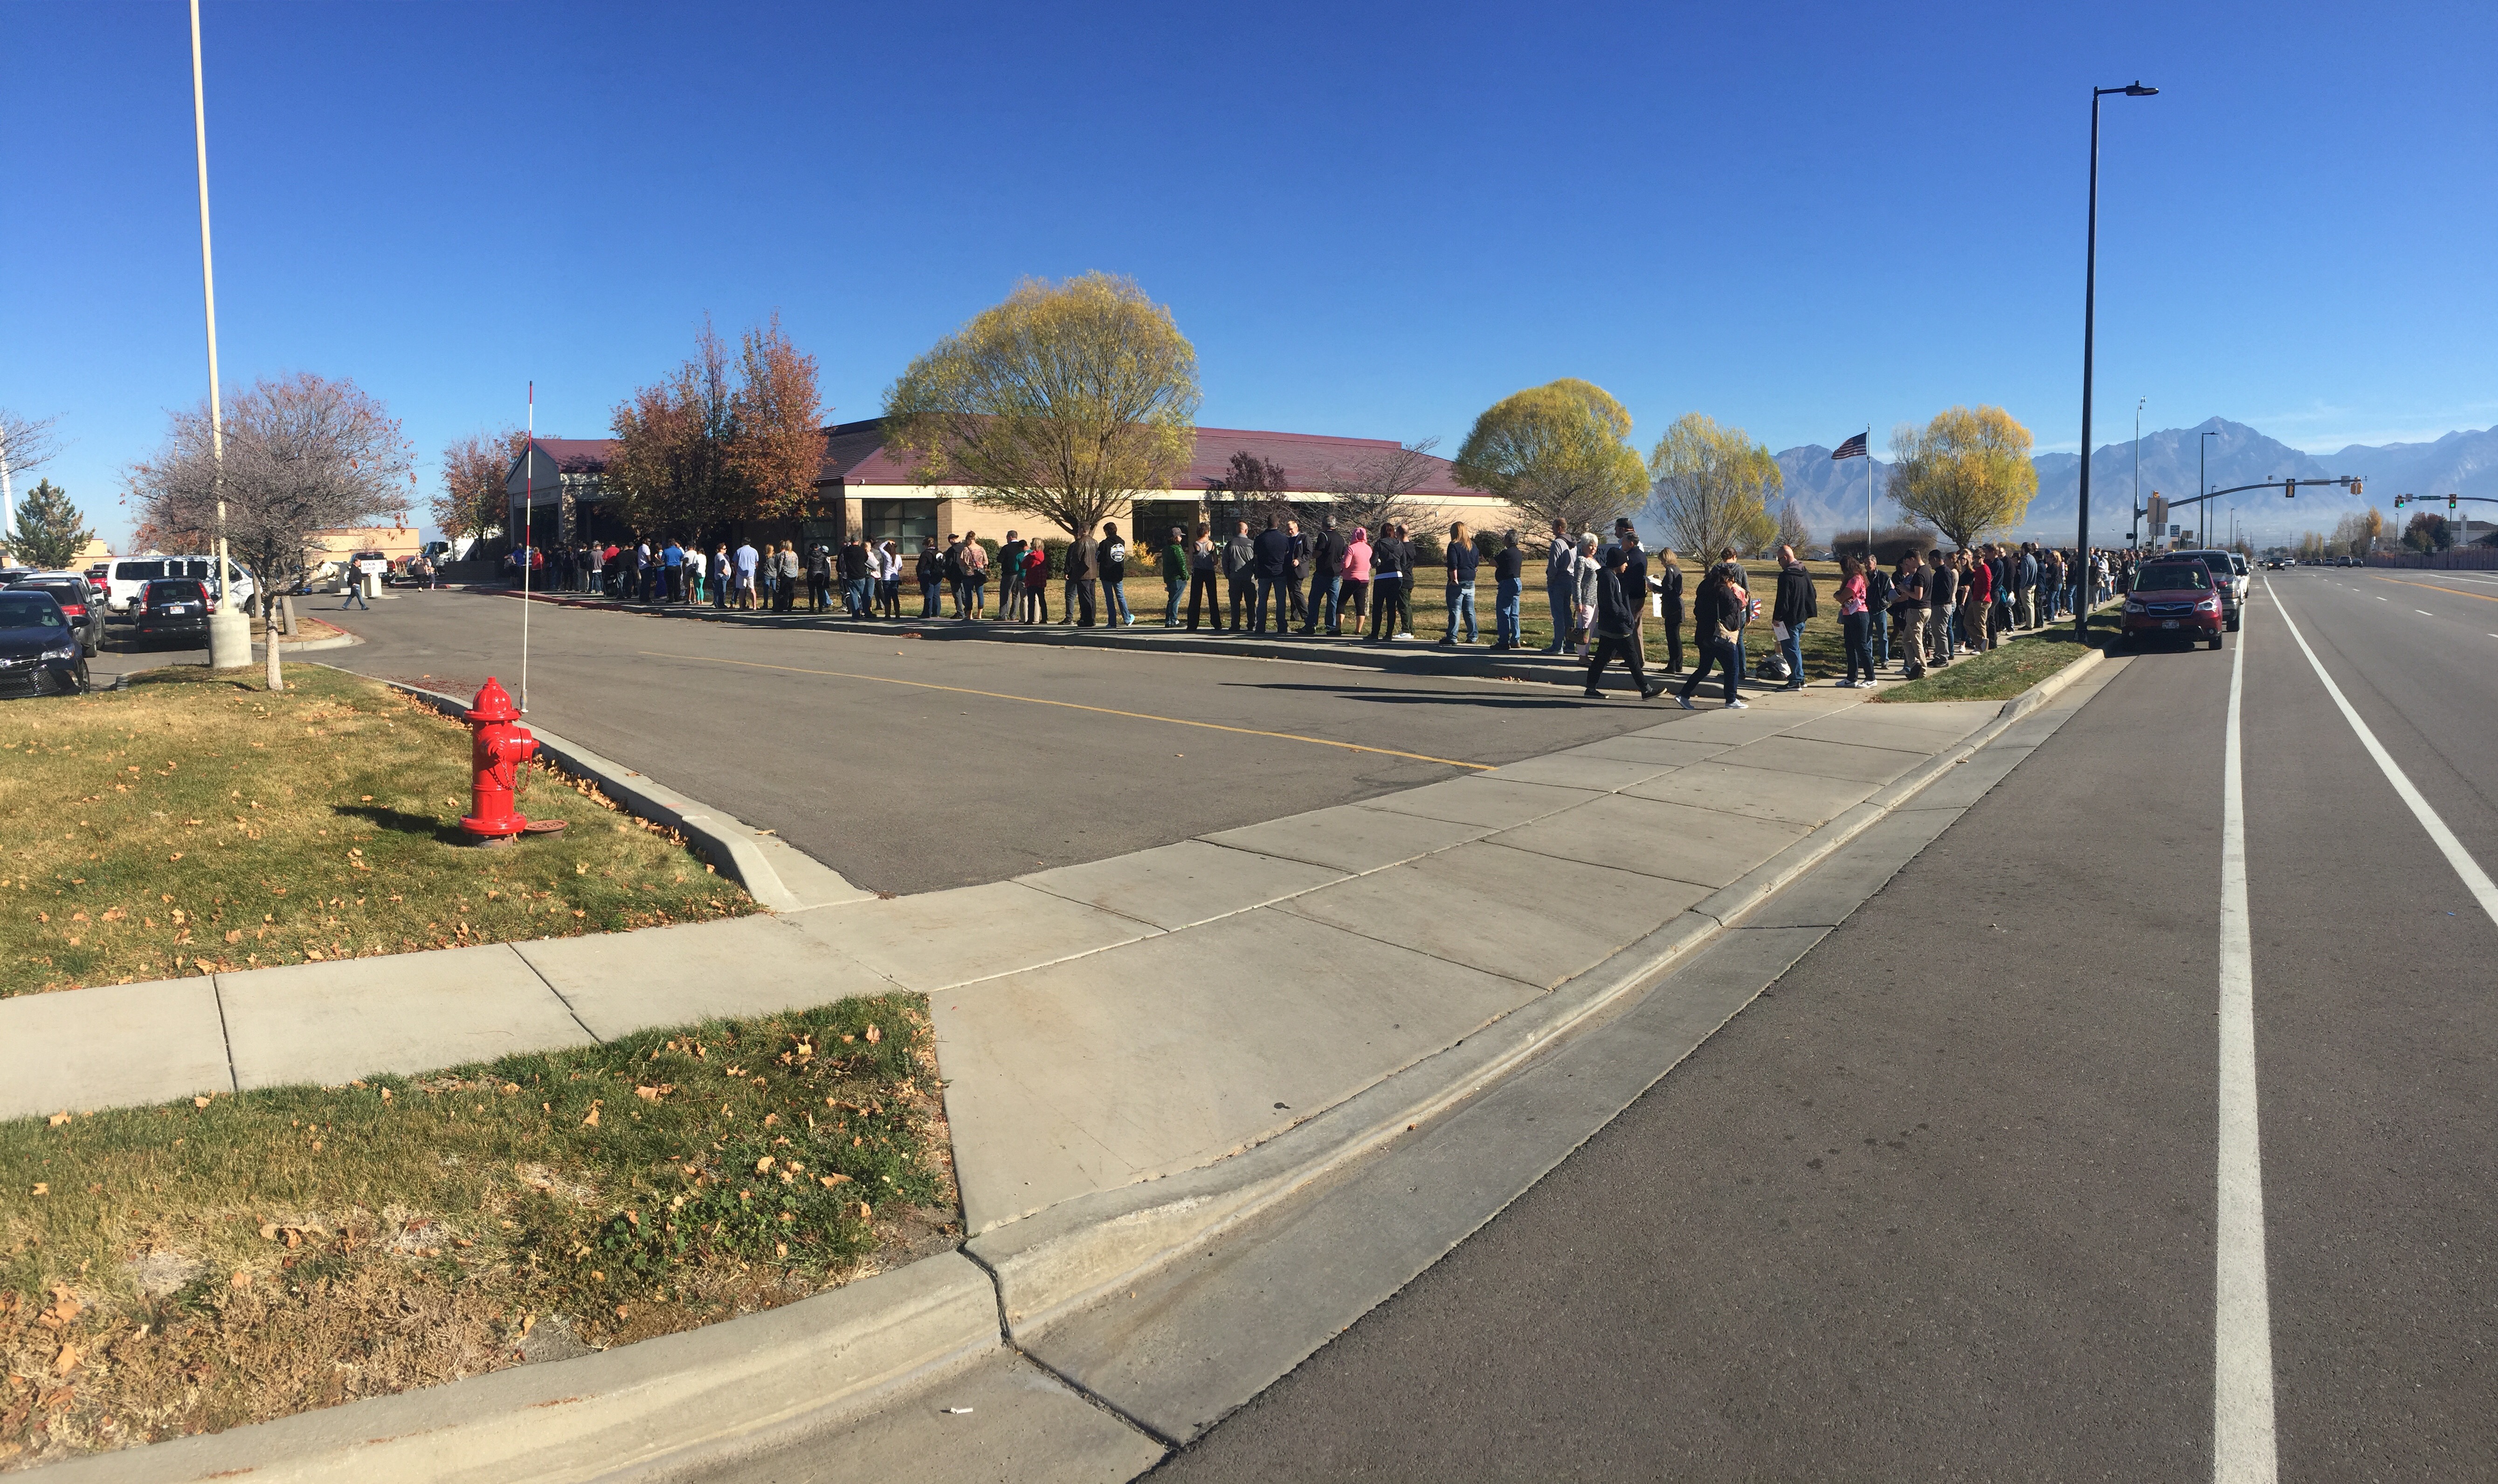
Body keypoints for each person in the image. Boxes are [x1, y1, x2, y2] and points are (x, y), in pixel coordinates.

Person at [1584, 542, 1663, 700]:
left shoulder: (1612, 576)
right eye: (1625, 562)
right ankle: (1646, 690)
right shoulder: (1608, 578)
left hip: (1611, 626)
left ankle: (1591, 688)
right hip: (1617, 627)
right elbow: (1611, 604)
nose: (1626, 565)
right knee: (1632, 659)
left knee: (1601, 659)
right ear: (1618, 562)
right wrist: (1627, 617)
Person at [1676, 564, 1746, 709]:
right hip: (1719, 635)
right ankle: (1731, 699)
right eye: (1732, 582)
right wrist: (1739, 599)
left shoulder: (1704, 587)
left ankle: (1684, 694)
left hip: (1703, 634)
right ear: (1728, 580)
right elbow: (1733, 608)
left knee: (1704, 668)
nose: (1732, 585)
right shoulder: (1724, 591)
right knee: (1732, 667)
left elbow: (1698, 610)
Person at [1770, 543, 1816, 691]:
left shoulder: (1786, 576)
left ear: (1785, 558)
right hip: (1802, 616)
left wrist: (1776, 618)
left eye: (1779, 560)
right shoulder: (1804, 571)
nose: (1778, 563)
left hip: (1789, 620)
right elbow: (1813, 593)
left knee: (1790, 649)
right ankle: (1800, 678)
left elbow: (1783, 600)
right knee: (1795, 648)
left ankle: (1796, 680)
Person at [1836, 554, 1876, 688]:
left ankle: (1871, 677)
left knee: (1861, 646)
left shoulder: (1855, 579)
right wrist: (1839, 596)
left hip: (1859, 615)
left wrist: (1837, 595)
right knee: (1850, 647)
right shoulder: (1854, 579)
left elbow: (1842, 597)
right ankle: (1851, 678)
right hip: (1850, 615)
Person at [1368, 523, 1413, 640]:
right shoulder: (1399, 544)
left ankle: (1375, 634)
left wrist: (1378, 562)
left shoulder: (1380, 543)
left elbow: (1373, 561)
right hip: (1396, 576)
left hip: (1382, 577)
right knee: (1391, 606)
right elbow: (1404, 562)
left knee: (1378, 607)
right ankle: (1388, 634)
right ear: (1393, 532)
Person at [1891, 550, 1929, 679]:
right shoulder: (1928, 570)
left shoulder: (1920, 574)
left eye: (1908, 562)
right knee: (1906, 639)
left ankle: (1922, 670)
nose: (1907, 565)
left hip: (1918, 610)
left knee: (1916, 641)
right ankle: (1915, 666)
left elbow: (1918, 596)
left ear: (1913, 559)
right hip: (1925, 609)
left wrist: (1905, 590)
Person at [1301, 520, 1342, 635]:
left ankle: (1311, 625)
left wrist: (1312, 555)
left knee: (1314, 600)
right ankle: (1331, 626)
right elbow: (1343, 554)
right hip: (1335, 574)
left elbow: (1318, 552)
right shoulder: (1341, 538)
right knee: (1333, 601)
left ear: (1324, 525)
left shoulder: (1323, 536)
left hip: (1323, 573)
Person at [1441, 521, 1479, 644]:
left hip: (1458, 581)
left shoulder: (1454, 545)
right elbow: (1476, 564)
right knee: (1469, 610)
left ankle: (1452, 636)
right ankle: (1473, 635)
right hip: (1471, 581)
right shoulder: (1472, 545)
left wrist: (1454, 579)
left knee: (1455, 610)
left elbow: (1453, 564)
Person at [1250, 515, 1290, 634]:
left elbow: (1256, 557)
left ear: (1267, 523)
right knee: (1281, 600)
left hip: (1264, 572)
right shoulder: (1283, 538)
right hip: (1280, 572)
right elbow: (1286, 553)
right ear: (1277, 524)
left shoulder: (1260, 539)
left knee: (1262, 600)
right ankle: (1282, 626)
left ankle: (1260, 626)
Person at [1542, 519, 1576, 654]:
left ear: (1559, 528)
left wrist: (1550, 580)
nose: (1552, 529)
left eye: (1553, 527)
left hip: (1559, 581)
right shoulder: (1573, 544)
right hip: (1570, 579)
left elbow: (1553, 564)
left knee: (1558, 615)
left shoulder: (1558, 543)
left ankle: (1557, 646)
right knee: (1567, 613)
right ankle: (1570, 645)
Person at [1652, 544, 1685, 672]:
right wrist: (1662, 581)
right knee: (1676, 637)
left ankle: (1672, 665)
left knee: (1672, 638)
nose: (1661, 563)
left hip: (1672, 608)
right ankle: (1679, 664)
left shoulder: (1669, 570)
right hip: (1678, 607)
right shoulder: (1676, 569)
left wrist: (1655, 588)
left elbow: (1668, 589)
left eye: (1662, 560)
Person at [1491, 529, 1523, 650]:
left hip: (1507, 583)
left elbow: (1492, 562)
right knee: (1514, 613)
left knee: (1503, 612)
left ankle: (1504, 641)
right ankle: (1516, 639)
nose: (1503, 540)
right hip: (1517, 582)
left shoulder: (1506, 553)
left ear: (1509, 540)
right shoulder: (1519, 553)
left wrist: (1499, 565)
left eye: (1505, 538)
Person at [1569, 533, 1601, 655]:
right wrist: (1578, 602)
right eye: (1590, 546)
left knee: (1591, 630)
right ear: (1584, 547)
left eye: (1595, 546)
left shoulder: (1594, 561)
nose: (1593, 549)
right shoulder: (1581, 561)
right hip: (1585, 600)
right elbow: (1576, 582)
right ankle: (1582, 656)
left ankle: (1586, 654)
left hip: (1595, 600)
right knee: (1584, 629)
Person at [1186, 523, 1222, 631]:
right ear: (1207, 532)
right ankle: (1216, 623)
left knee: (1195, 598)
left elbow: (1191, 562)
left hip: (1198, 572)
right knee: (1213, 597)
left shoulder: (1194, 545)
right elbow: (1216, 561)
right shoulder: (1212, 545)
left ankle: (1192, 624)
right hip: (1209, 572)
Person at [1223, 519, 1256, 632]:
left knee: (1235, 603)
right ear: (1246, 531)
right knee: (1251, 603)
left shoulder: (1230, 544)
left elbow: (1225, 561)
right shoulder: (1252, 544)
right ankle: (1252, 624)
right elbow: (1257, 561)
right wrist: (1256, 574)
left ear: (1237, 530)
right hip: (1249, 578)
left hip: (1235, 578)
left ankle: (1235, 624)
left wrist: (1228, 575)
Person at [1340, 525, 1372, 634]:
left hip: (1351, 579)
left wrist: (1341, 563)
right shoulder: (1369, 549)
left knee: (1341, 603)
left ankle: (1337, 628)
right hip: (1364, 580)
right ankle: (1358, 630)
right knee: (1360, 605)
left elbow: (1346, 564)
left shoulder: (1351, 548)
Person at [1099, 522, 1132, 626]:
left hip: (1106, 574)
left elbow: (1098, 558)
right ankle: (1127, 618)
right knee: (1120, 596)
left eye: (1105, 531)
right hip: (1118, 574)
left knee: (1110, 599)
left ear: (1108, 531)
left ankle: (1112, 622)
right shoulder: (1122, 542)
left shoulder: (1104, 544)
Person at [1069, 523, 1101, 627]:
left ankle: (1087, 620)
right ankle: (1092, 618)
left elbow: (1076, 558)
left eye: (1079, 529)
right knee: (1092, 597)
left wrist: (1073, 568)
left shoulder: (1081, 542)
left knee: (1085, 598)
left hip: (1083, 574)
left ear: (1082, 530)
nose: (1078, 531)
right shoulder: (1095, 542)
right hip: (1093, 573)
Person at [1283, 519, 1310, 631]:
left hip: (1299, 569)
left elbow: (1308, 553)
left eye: (1291, 529)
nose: (1290, 532)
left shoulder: (1303, 538)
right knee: (1292, 592)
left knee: (1296, 591)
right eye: (1288, 530)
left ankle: (1306, 616)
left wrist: (1299, 560)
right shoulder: (1287, 540)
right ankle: (1295, 615)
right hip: (1289, 570)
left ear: (1296, 528)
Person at [1160, 525, 1188, 627]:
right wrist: (1185, 576)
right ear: (1176, 537)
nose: (1181, 538)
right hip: (1178, 578)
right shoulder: (1177, 549)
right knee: (1176, 600)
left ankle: (1168, 620)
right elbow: (1182, 564)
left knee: (1171, 599)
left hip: (1169, 578)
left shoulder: (1166, 549)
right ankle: (1173, 620)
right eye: (1180, 536)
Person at [996, 533, 1028, 618]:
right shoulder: (1021, 548)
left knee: (1005, 593)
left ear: (1010, 537)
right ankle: (1013, 615)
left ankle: (1003, 615)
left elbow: (1000, 559)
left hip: (1008, 574)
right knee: (1016, 595)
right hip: (1019, 574)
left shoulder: (1006, 548)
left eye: (1007, 537)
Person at [1021, 537, 1051, 623]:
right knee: (1042, 599)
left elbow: (1024, 565)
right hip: (1041, 579)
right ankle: (1044, 618)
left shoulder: (1030, 556)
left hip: (1031, 579)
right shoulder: (1043, 555)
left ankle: (1030, 619)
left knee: (1031, 600)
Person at [916, 536, 945, 618]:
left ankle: (927, 613)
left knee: (929, 594)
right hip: (938, 575)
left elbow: (921, 566)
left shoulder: (926, 554)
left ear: (926, 545)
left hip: (928, 575)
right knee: (936, 594)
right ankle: (936, 613)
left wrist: (920, 576)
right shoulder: (939, 553)